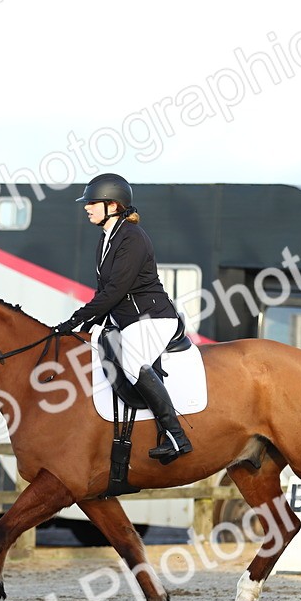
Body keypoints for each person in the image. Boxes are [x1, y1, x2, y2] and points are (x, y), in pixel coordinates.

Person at [53, 173, 192, 462]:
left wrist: (75, 319)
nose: (87, 207)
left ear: (113, 205)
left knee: (132, 363)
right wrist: (86, 325)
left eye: (92, 202)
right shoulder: (105, 240)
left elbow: (115, 290)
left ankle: (176, 436)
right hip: (127, 319)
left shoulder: (132, 238)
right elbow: (103, 291)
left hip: (151, 318)